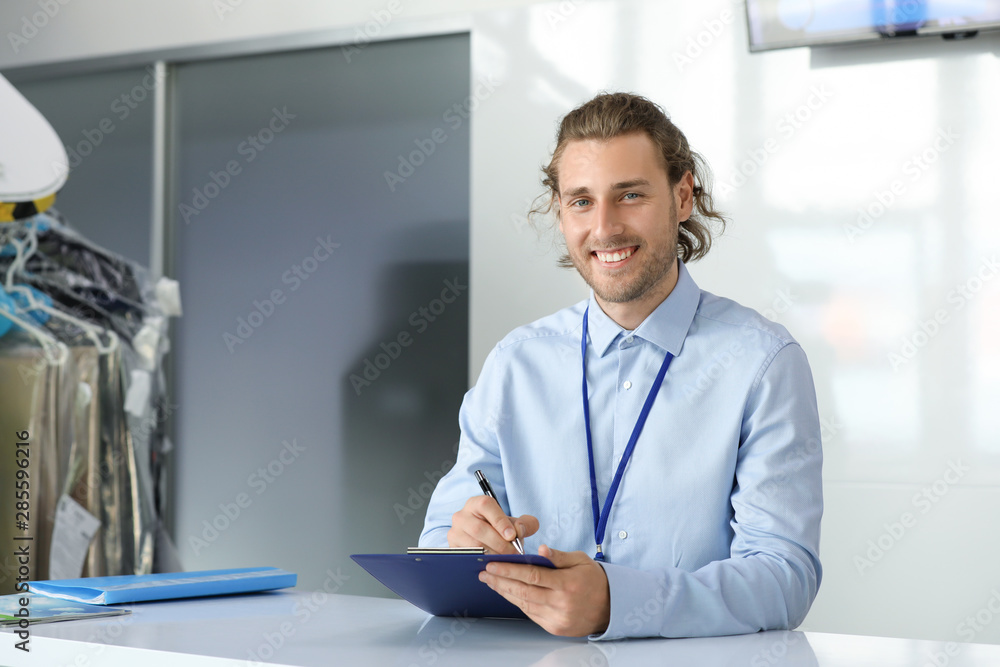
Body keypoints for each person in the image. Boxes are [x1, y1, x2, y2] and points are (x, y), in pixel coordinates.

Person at [418, 92, 823, 640]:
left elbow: (784, 576)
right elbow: (441, 533)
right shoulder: (516, 363)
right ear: (560, 210)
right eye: (581, 201)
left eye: (629, 195)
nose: (604, 228)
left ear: (683, 196)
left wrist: (620, 602)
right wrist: (458, 545)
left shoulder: (763, 362)